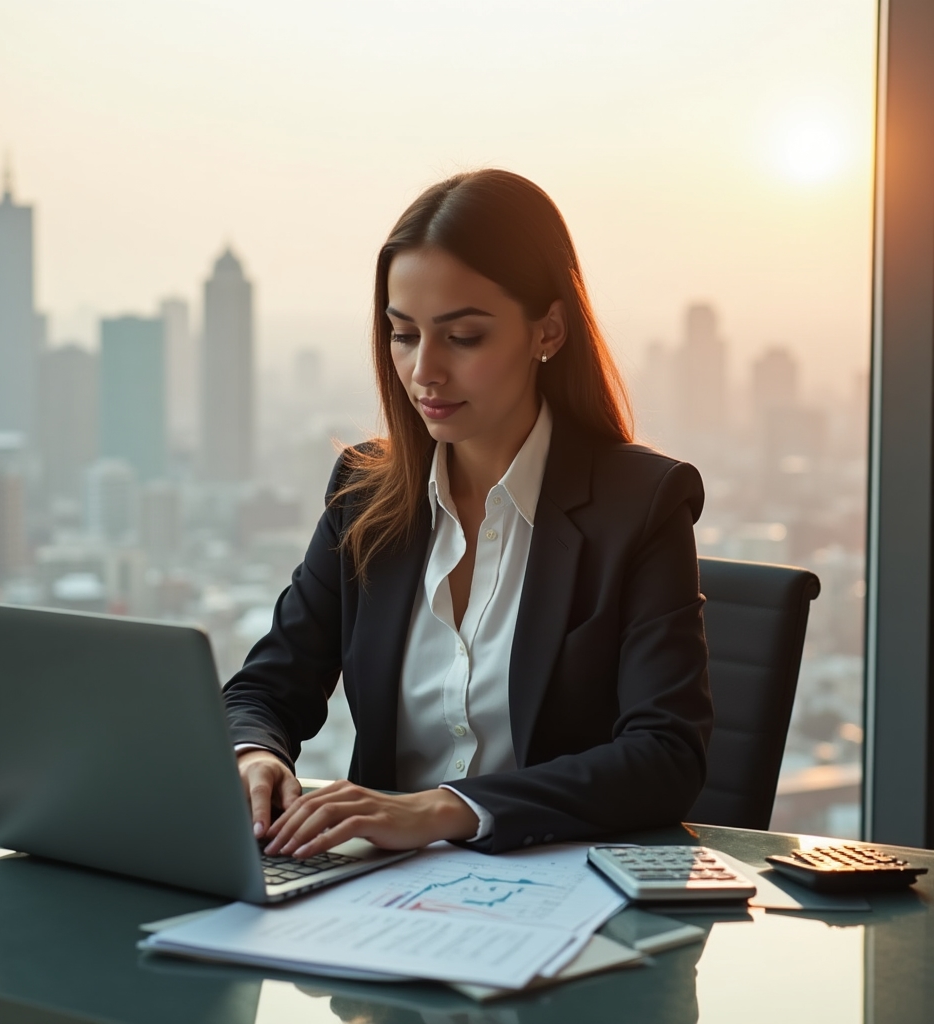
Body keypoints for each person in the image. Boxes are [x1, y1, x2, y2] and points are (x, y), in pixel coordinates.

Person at [223, 169, 712, 859]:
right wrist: (255, 756)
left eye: (464, 337)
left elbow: (665, 758)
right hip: (376, 898)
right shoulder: (365, 493)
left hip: (559, 894)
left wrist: (444, 810)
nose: (425, 370)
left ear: (547, 329)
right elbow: (267, 687)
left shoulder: (642, 505)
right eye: (403, 334)